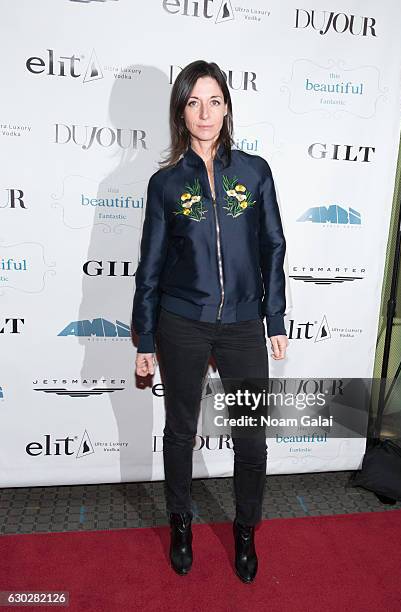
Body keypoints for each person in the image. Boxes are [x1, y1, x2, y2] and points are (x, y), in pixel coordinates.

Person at [132, 60, 288, 583]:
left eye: (214, 101)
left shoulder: (255, 171)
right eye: (193, 101)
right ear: (181, 110)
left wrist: (275, 318)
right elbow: (150, 266)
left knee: (250, 437)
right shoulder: (165, 184)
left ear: (227, 108)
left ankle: (246, 532)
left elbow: (273, 247)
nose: (205, 112)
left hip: (244, 323)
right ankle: (181, 523)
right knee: (179, 432)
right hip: (183, 321)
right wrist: (144, 337)